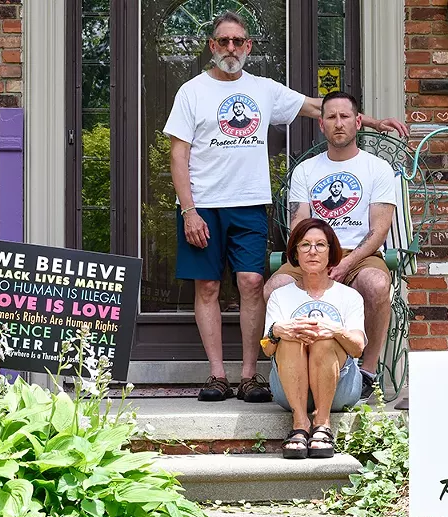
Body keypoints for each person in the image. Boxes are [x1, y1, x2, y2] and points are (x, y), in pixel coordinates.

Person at [163, 12, 407, 403]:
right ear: (212, 46)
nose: (230, 48)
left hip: (249, 202)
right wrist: (188, 209)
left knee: (252, 283)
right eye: (223, 41)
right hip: (203, 204)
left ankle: (248, 376)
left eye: (237, 41)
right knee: (207, 286)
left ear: (248, 47)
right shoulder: (191, 92)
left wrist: (373, 123)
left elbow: (319, 108)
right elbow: (178, 154)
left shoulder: (264, 89)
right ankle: (216, 375)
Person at [264, 90, 396, 403]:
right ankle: (286, 368)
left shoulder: (377, 169)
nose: (339, 123)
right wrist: (314, 260)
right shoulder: (306, 170)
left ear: (358, 122)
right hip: (312, 249)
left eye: (345, 116)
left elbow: (378, 230)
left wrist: (346, 264)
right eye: (331, 117)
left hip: (359, 254)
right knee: (275, 285)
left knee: (377, 284)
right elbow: (299, 224)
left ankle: (367, 372)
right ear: (321, 125)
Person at [261, 218, 366, 459]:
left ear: (331, 252)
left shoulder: (349, 297)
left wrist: (335, 331)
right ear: (295, 253)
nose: (312, 251)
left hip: (340, 388)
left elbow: (359, 348)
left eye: (320, 245)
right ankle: (300, 423)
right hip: (290, 390)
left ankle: (322, 422)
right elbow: (267, 350)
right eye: (305, 245)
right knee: (290, 336)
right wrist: (277, 331)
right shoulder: (280, 296)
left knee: (323, 339)